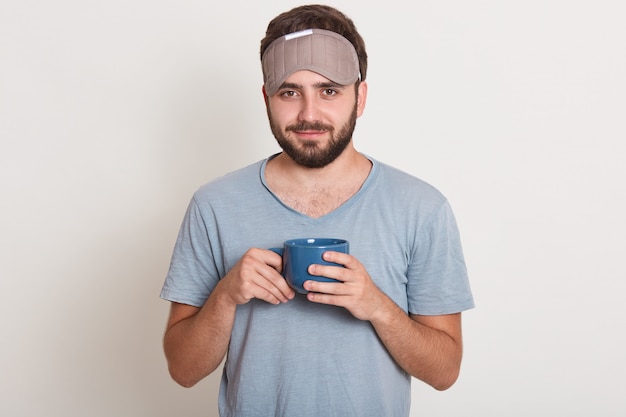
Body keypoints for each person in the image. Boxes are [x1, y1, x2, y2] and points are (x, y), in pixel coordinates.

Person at [161, 4, 474, 416]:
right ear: (267, 98)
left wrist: (376, 305)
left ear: (359, 97)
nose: (309, 114)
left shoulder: (421, 207)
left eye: (329, 90)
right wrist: (226, 297)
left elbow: (445, 371)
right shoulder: (214, 204)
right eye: (290, 92)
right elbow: (182, 370)